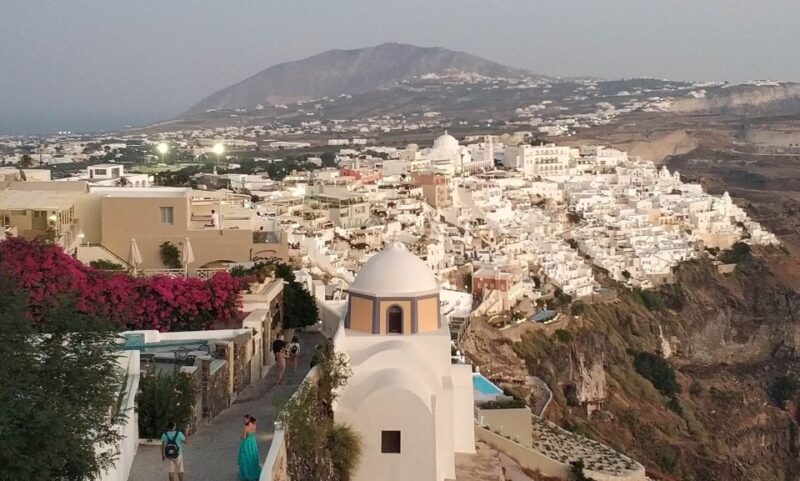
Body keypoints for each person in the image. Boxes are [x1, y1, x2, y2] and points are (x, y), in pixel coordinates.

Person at [237, 415, 261, 481]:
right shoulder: (254, 425)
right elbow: (253, 433)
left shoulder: (246, 427)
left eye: (245, 419)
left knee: (246, 457)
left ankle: (247, 473)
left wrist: (241, 437)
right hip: (252, 442)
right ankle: (253, 470)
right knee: (252, 456)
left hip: (247, 443)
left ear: (249, 419)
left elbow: (244, 437)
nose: (244, 421)